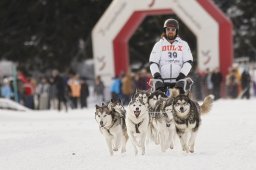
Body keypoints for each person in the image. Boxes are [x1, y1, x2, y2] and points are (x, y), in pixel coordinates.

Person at [149, 18, 193, 94]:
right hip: (162, 81)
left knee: (181, 102)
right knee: (157, 100)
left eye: (173, 29)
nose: (170, 31)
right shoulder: (159, 45)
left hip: (178, 80)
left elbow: (188, 61)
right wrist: (157, 75)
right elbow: (153, 62)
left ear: (176, 31)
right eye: (168, 29)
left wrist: (182, 74)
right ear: (165, 30)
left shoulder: (183, 44)